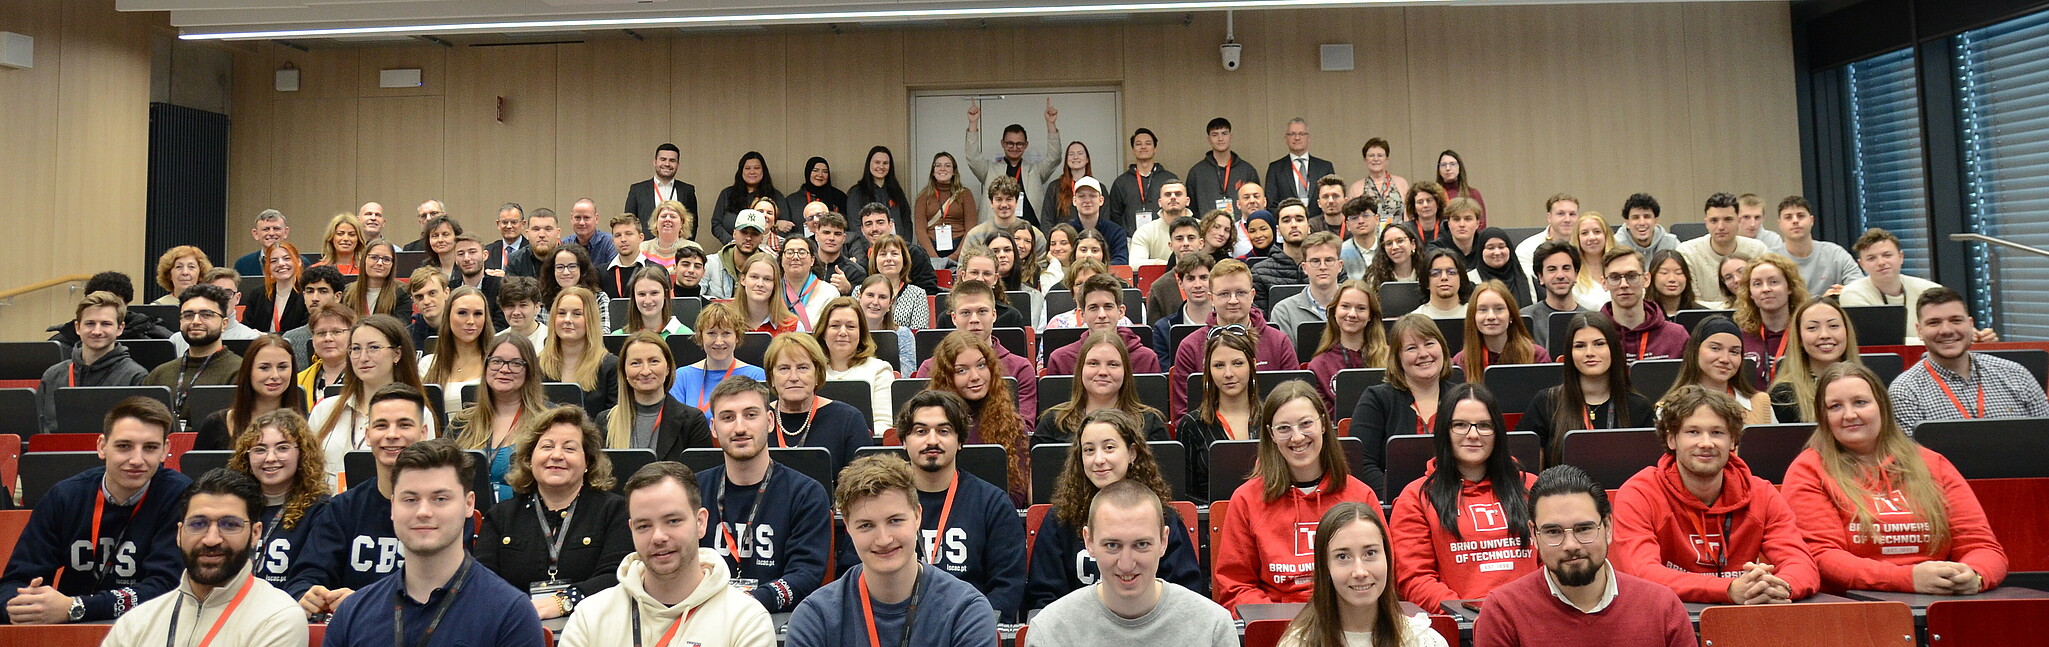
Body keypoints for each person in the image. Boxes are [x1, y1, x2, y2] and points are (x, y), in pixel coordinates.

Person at [1785, 363, 2009, 594]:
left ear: (1882, 406)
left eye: (1860, 402)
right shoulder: (1809, 470)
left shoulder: (1932, 464)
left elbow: (1981, 545)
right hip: (1855, 603)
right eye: (1835, 406)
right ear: (1823, 416)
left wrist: (1975, 575)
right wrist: (1908, 579)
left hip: (1942, 596)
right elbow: (1822, 556)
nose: (1849, 415)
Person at [319, 438, 546, 647]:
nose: (423, 512)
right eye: (410, 499)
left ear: (469, 504)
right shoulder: (352, 614)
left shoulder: (510, 614)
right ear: (393, 506)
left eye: (440, 499)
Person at [1611, 386, 1820, 604]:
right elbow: (1643, 572)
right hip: (1669, 614)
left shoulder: (1762, 493)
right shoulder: (1640, 493)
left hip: (1747, 610)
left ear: (1733, 441)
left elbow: (1802, 565)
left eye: (1717, 433)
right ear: (1671, 439)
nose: (1706, 443)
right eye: (1693, 432)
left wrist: (1779, 587)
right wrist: (1728, 590)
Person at [0, 397, 191, 624]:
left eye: (150, 447)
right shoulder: (65, 496)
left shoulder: (181, 496)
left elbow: (166, 589)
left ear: (164, 450)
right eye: (124, 446)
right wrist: (20, 606)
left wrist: (76, 607)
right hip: (70, 630)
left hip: (149, 628)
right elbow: (16, 581)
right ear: (102, 446)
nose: (137, 460)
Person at [784, 453, 998, 647]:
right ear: (847, 527)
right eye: (866, 525)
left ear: (917, 516)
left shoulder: (966, 611)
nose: (884, 539)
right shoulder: (815, 618)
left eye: (895, 520)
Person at [1470, 465, 1696, 647]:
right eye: (1553, 532)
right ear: (1533, 535)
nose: (1571, 545)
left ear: (1608, 527)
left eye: (1584, 529)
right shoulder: (1503, 611)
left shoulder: (1662, 606)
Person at [558, 460, 775, 647]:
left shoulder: (746, 621)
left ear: (700, 522)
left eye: (673, 521)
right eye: (644, 526)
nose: (658, 537)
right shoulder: (591, 617)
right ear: (631, 529)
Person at [1215, 381, 1382, 612]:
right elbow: (1236, 586)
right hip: (1276, 623)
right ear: (1271, 435)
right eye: (1284, 428)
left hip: (1346, 618)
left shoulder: (1360, 495)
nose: (1297, 437)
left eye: (1306, 424)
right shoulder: (1246, 499)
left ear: (1323, 424)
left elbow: (1381, 574)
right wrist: (1283, 623)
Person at [100, 468, 308, 647]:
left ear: (255, 533)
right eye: (198, 524)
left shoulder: (277, 618)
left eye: (230, 525)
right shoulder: (136, 624)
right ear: (179, 533)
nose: (211, 539)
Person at [1026, 410, 1205, 611]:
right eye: (1089, 450)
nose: (1098, 459)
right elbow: (1044, 596)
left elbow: (1185, 592)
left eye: (1109, 448)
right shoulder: (1060, 518)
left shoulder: (1162, 516)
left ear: (1132, 453)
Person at [685, 376, 834, 614]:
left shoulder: (806, 494)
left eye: (751, 415)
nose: (740, 428)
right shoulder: (691, 491)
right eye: (727, 417)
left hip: (775, 617)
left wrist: (746, 604)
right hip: (703, 615)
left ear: (770, 421)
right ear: (713, 427)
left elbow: (805, 575)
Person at [1028, 477, 1235, 645]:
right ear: (1089, 542)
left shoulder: (1212, 628)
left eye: (1141, 544)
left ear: (1164, 541)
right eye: (1112, 545)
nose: (1126, 564)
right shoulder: (1050, 632)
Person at [1388, 384, 1537, 612]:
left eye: (1484, 425)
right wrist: (1469, 615)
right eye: (1460, 425)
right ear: (1444, 431)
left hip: (1531, 616)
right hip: (1461, 624)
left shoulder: (1532, 487)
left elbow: (1553, 561)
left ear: (1498, 432)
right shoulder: (1416, 497)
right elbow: (1416, 578)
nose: (1473, 435)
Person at [476, 405, 633, 621]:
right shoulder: (500, 516)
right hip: (516, 626)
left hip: (593, 627)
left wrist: (564, 602)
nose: (557, 455)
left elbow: (617, 576)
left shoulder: (614, 511)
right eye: (547, 446)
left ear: (587, 461)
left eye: (569, 448)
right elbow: (483, 580)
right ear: (530, 458)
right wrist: (520, 610)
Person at [288, 384, 435, 611]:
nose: (392, 435)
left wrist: (362, 603)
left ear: (423, 433)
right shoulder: (342, 508)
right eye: (381, 425)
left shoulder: (443, 510)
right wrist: (307, 594)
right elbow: (306, 576)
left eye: (404, 425)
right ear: (367, 435)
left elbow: (443, 592)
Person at [890, 390, 1027, 620]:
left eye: (943, 431)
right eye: (921, 431)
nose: (932, 440)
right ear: (903, 441)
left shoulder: (992, 504)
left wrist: (972, 628)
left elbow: (1007, 587)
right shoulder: (883, 503)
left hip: (969, 627)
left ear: (960, 441)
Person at [1280, 502, 1449, 647]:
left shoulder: (1424, 641)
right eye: (1343, 556)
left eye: (1370, 553)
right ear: (1325, 566)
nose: (1360, 572)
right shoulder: (1298, 643)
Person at [1890, 286, 2049, 431]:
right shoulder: (1905, 392)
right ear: (1919, 331)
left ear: (1970, 324)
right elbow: (1909, 453)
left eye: (1956, 320)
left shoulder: (2017, 375)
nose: (1946, 330)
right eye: (1934, 323)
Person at [1168, 258, 1299, 419]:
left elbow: (1295, 399)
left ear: (1252, 295)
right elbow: (1182, 413)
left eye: (1241, 293)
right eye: (1224, 294)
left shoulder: (1279, 342)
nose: (1233, 300)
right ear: (1211, 298)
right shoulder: (1190, 346)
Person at [310, 315, 431, 486]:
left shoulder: (418, 413)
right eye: (355, 349)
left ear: (397, 354)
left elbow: (426, 474)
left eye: (374, 348)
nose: (363, 357)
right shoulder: (325, 409)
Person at [1518, 313, 1655, 459]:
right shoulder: (1546, 403)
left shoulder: (1638, 407)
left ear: (1613, 349)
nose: (1589, 353)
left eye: (1599, 344)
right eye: (1580, 346)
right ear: (1569, 353)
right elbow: (1525, 464)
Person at [1352, 315, 1460, 499]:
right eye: (1411, 348)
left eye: (1429, 344)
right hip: (1395, 504)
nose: (1423, 353)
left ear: (1442, 348)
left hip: (1458, 500)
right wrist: (1402, 501)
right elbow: (1362, 463)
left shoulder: (1463, 398)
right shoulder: (1376, 399)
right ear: (1397, 358)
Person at [227, 410, 331, 587]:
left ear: (302, 454)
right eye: (260, 450)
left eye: (282, 448)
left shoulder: (322, 510)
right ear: (247, 457)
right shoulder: (233, 507)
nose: (270, 458)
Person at [1839, 228, 1998, 343]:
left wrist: (1975, 337)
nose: (1881, 262)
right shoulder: (1852, 294)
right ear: (1862, 264)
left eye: (1887, 255)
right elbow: (1878, 342)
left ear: (1901, 257)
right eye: (1871, 258)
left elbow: (1952, 330)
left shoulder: (1930, 290)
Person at [917, 280, 1041, 424]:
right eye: (965, 313)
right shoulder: (930, 367)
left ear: (994, 315)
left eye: (982, 311)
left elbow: (1025, 427)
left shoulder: (1020, 367)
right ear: (954, 318)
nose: (974, 320)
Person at [448, 334, 549, 502]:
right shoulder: (462, 423)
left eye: (516, 363)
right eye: (496, 361)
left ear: (529, 370)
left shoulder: (547, 422)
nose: (504, 369)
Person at [36, 291, 149, 435]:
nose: (97, 331)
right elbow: (39, 428)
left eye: (106, 324)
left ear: (120, 328)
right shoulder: (53, 375)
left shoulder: (135, 376)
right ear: (77, 327)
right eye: (90, 323)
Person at [594, 331, 716, 460]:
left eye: (654, 361)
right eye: (635, 363)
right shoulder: (605, 421)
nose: (645, 371)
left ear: (668, 368)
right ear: (624, 371)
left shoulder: (692, 421)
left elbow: (701, 471)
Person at [761, 333, 872, 474]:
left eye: (802, 368)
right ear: (771, 377)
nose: (793, 377)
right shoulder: (757, 419)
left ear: (817, 373)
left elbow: (865, 480)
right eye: (784, 368)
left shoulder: (848, 419)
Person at [1035, 330, 1171, 444]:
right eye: (1093, 363)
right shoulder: (1053, 423)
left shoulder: (1150, 422)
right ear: (1080, 369)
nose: (1103, 372)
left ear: (1126, 371)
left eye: (1113, 364)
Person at [1177, 332, 1263, 504]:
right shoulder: (1192, 425)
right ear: (1208, 369)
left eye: (1237, 363)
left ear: (1252, 365)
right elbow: (1185, 494)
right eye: (1219, 365)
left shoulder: (1273, 418)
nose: (1228, 373)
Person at [145, 284, 246, 420]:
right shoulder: (160, 374)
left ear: (224, 324)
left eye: (206, 315)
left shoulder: (240, 372)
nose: (196, 321)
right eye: (188, 315)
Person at [192, 334, 305, 450]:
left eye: (282, 367)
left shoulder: (304, 427)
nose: (275, 375)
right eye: (264, 367)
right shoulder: (215, 424)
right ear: (248, 371)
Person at [962, 100, 1061, 227]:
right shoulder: (989, 170)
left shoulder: (1035, 170)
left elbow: (1054, 158)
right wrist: (973, 123)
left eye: (1019, 144)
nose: (1014, 147)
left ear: (1026, 145)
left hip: (1029, 231)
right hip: (996, 231)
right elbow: (972, 157)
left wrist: (1051, 124)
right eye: (1010, 143)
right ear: (1002, 143)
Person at [1767, 299, 1866, 423]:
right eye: (1812, 328)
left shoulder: (1869, 385)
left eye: (1833, 326)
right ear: (1799, 338)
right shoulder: (1783, 395)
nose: (1824, 335)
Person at [1664, 316, 1774, 424]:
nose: (1725, 359)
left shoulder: (1761, 403)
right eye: (1715, 348)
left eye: (1734, 352)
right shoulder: (1672, 406)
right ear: (1695, 351)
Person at [1044, 273, 1159, 375]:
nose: (1102, 315)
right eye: (1093, 308)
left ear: (1121, 311)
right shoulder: (1061, 359)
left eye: (1108, 307)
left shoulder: (1146, 358)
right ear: (1082, 314)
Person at [816, 297, 898, 435]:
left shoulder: (879, 370)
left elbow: (884, 425)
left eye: (851, 326)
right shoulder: (810, 370)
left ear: (861, 332)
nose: (843, 332)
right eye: (835, 325)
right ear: (823, 332)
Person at [670, 302, 766, 417]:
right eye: (711, 333)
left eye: (726, 333)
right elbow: (676, 421)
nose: (719, 342)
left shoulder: (756, 375)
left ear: (737, 337)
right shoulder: (682, 377)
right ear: (700, 336)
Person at [1304, 280, 1390, 407]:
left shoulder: (1391, 357)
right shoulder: (1319, 365)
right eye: (1345, 306)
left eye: (1361, 308)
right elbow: (1323, 414)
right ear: (1334, 311)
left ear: (1370, 315)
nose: (1352, 314)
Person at [1677, 193, 1771, 304]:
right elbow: (1692, 303)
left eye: (1728, 219)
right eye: (1714, 220)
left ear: (1739, 221)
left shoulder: (1758, 250)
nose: (1721, 227)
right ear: (1706, 223)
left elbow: (1766, 294)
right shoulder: (1687, 253)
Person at [1598, 248, 1688, 361]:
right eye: (1614, 278)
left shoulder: (1676, 335)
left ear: (1646, 279)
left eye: (1632, 276)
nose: (1624, 284)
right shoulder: (1594, 335)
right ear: (1604, 283)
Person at [1733, 254, 1809, 386]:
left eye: (1774, 282)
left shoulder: (1805, 333)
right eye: (1757, 284)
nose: (1766, 289)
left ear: (1790, 287)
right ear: (1750, 293)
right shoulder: (1740, 338)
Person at [1453, 281, 1552, 382]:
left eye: (1499, 309)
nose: (1491, 316)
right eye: (1483, 310)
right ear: (1473, 316)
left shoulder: (1537, 357)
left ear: (1511, 315)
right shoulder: (1461, 362)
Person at [420, 285, 492, 417]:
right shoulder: (428, 365)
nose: (470, 321)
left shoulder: (497, 363)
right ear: (448, 316)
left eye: (478, 314)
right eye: (462, 313)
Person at [1770, 196, 1863, 292]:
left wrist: (1846, 293)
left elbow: (1859, 291)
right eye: (1788, 217)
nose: (1795, 221)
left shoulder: (1836, 254)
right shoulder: (1770, 259)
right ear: (1780, 224)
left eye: (1800, 216)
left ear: (1812, 221)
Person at [1109, 128, 1182, 233]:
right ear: (1133, 150)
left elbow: (1179, 208)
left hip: (1164, 235)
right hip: (1131, 238)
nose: (1143, 147)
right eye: (1138, 144)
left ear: (1155, 149)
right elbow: (1115, 215)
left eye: (1148, 143)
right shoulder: (1121, 182)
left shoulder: (1169, 179)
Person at [1265, 118, 1339, 219]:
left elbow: (1332, 199)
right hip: (1289, 224)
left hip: (1320, 224)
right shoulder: (1275, 168)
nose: (1297, 138)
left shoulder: (1325, 167)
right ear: (1286, 139)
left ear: (1308, 138)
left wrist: (1318, 222)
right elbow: (1271, 204)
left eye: (1302, 134)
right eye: (1292, 134)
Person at [1521, 241, 1586, 351]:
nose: (1560, 275)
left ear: (1576, 274)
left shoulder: (1590, 318)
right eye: (1552, 269)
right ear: (1540, 277)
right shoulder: (1525, 319)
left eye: (1566, 268)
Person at [1151, 252, 1214, 364]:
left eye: (1203, 278)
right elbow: (1166, 371)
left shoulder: (1228, 322)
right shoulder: (1163, 328)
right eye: (1190, 278)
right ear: (1180, 283)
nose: (1198, 285)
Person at [912, 152, 978, 259]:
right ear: (933, 172)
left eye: (947, 165)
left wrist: (956, 256)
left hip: (960, 247)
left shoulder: (965, 194)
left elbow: (971, 228)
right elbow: (920, 231)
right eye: (938, 165)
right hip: (931, 248)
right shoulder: (923, 197)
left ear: (954, 171)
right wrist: (935, 259)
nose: (942, 169)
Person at [281, 264, 348, 367]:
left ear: (337, 297)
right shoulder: (290, 339)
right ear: (304, 295)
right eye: (310, 291)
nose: (314, 298)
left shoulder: (352, 335)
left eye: (323, 291)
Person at [1252, 200, 1315, 309]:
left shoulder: (1328, 266)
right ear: (1278, 230)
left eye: (1299, 220)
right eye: (1286, 221)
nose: (1294, 225)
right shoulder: (1259, 273)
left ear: (1309, 227)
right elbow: (1259, 317)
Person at [623, 143, 699, 230]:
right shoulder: (637, 190)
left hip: (679, 239)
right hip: (646, 239)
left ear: (678, 165)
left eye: (672, 160)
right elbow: (628, 222)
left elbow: (692, 223)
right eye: (663, 159)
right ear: (655, 162)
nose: (667, 164)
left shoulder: (687, 191)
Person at [1140, 215, 1204, 316]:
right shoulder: (1159, 288)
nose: (1186, 243)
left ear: (1201, 243)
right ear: (1171, 245)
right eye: (1179, 239)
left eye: (1191, 238)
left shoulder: (1216, 280)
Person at [866, 233, 933, 330]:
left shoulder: (917, 294)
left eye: (894, 254)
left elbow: (918, 333)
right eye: (883, 254)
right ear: (875, 260)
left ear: (904, 259)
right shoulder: (860, 291)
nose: (889, 258)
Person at [296, 303, 356, 410]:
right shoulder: (299, 380)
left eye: (336, 332)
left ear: (352, 336)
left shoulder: (363, 378)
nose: (328, 338)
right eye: (321, 333)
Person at [847, 146, 915, 240]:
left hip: (896, 246)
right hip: (869, 247)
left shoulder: (896, 191)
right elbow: (855, 225)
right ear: (869, 164)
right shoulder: (856, 192)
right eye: (877, 162)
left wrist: (904, 245)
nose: (881, 167)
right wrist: (869, 247)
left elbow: (906, 221)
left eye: (885, 163)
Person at [856, 275, 919, 373]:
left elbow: (906, 375)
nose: (875, 302)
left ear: (890, 303)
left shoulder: (903, 335)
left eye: (882, 297)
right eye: (870, 295)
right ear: (859, 297)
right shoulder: (848, 333)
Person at [777, 236, 839, 332]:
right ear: (781, 260)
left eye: (802, 252)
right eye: (789, 252)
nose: (795, 257)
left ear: (812, 261)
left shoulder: (829, 293)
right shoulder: (772, 290)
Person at [1513, 194, 1581, 277]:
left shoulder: (1586, 245)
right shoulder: (1527, 248)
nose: (1567, 219)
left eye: (1572, 214)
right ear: (1549, 217)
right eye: (1561, 214)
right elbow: (1528, 281)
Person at [614, 266, 691, 337]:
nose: (648, 301)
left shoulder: (685, 335)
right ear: (634, 297)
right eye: (642, 294)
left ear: (665, 294)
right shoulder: (618, 337)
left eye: (654, 293)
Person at [342, 239, 412, 317]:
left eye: (386, 259)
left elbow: (402, 323)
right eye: (374, 257)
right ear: (364, 260)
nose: (379, 263)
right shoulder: (347, 292)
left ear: (392, 264)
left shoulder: (401, 293)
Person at [1351, 138, 1413, 225]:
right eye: (1371, 156)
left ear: (1387, 160)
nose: (1376, 159)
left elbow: (1410, 213)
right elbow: (1353, 217)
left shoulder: (1401, 183)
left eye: (1380, 155)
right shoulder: (1356, 188)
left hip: (1399, 232)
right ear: (1365, 160)